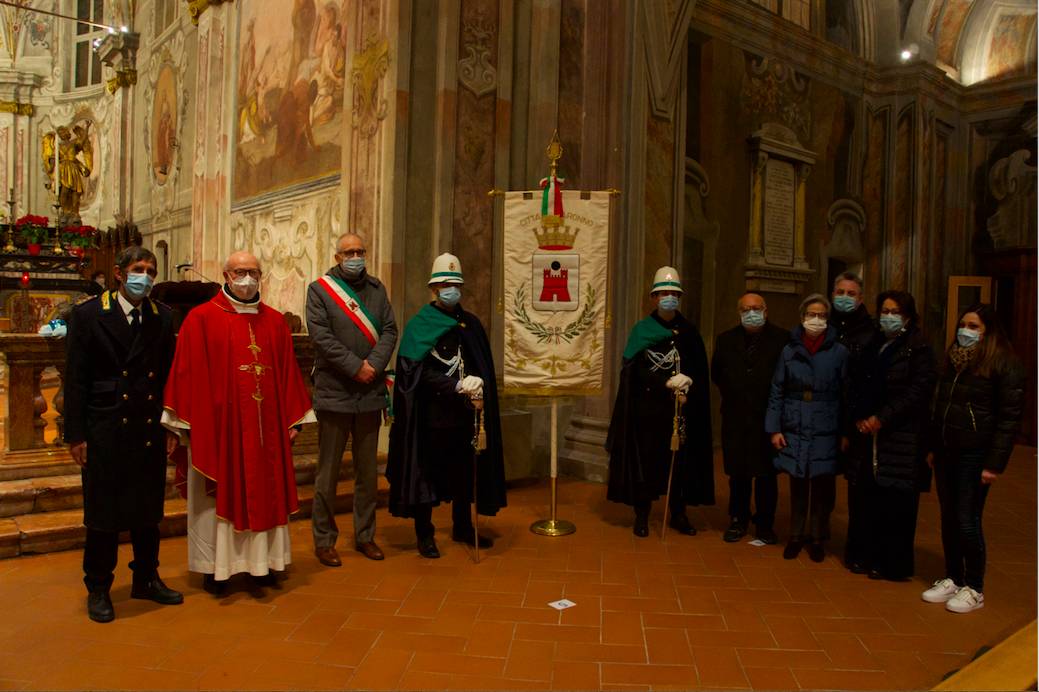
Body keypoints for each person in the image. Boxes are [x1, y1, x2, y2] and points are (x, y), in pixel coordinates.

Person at [162, 251, 314, 594]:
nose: (247, 279)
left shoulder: (274, 322)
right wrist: (182, 424)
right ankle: (216, 569)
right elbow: (186, 374)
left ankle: (264, 565)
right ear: (225, 275)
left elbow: (290, 374)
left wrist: (294, 419)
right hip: (220, 432)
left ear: (261, 276)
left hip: (267, 434)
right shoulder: (200, 319)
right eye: (240, 272)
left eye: (253, 272)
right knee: (215, 498)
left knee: (267, 491)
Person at [64, 246, 182, 623]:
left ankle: (146, 578)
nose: (144, 277)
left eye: (150, 270)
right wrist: (76, 435)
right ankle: (98, 587)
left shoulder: (163, 317)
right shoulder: (88, 315)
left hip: (147, 424)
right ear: (118, 273)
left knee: (148, 511)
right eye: (137, 269)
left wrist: (170, 425)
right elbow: (76, 379)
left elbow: (167, 377)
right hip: (105, 426)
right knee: (103, 514)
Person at [386, 253, 506, 558]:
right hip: (431, 417)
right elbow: (416, 373)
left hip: (465, 416)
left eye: (455, 284)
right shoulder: (420, 325)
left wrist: (480, 387)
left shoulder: (471, 324)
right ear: (434, 289)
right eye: (444, 284)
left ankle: (463, 526)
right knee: (426, 474)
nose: (451, 289)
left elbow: (481, 366)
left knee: (465, 472)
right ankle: (424, 533)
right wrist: (453, 385)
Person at [921, 304, 1024, 613]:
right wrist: (932, 445)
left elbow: (1009, 418)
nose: (966, 331)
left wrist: (995, 463)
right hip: (946, 448)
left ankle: (975, 587)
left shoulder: (1004, 364)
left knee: (968, 519)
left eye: (974, 326)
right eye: (963, 324)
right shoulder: (952, 360)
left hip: (975, 453)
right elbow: (939, 404)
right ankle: (953, 576)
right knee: (948, 516)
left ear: (988, 331)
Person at [307, 233, 397, 566]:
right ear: (337, 255)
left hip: (369, 392)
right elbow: (320, 336)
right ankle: (324, 540)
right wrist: (354, 366)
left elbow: (389, 329)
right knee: (328, 473)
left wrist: (373, 365)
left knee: (367, 473)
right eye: (349, 252)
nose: (355, 256)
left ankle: (365, 536)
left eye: (360, 251)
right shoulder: (320, 290)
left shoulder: (377, 289)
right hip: (335, 392)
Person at [607, 266, 713, 537]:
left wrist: (688, 383)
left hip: (681, 411)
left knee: (680, 463)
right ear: (653, 297)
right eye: (664, 293)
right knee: (649, 464)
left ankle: (678, 513)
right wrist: (664, 382)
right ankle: (642, 515)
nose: (669, 298)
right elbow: (633, 370)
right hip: (649, 412)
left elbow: (700, 369)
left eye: (674, 294)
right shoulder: (642, 330)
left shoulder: (689, 332)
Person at [844, 291, 936, 580]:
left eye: (895, 311)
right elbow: (859, 382)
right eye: (884, 310)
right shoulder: (874, 343)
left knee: (895, 504)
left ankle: (891, 563)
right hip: (868, 434)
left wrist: (882, 418)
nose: (888, 316)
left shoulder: (918, 348)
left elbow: (918, 391)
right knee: (867, 498)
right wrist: (859, 416)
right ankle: (865, 555)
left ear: (908, 316)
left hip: (901, 436)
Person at [766, 294, 848, 562]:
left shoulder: (839, 351)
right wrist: (774, 428)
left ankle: (817, 536)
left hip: (826, 422)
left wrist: (845, 431)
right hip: (795, 422)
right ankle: (796, 535)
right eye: (811, 314)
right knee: (798, 482)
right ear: (802, 318)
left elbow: (847, 393)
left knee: (822, 485)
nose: (816, 320)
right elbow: (778, 389)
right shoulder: (789, 350)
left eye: (821, 315)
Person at [711, 292, 788, 544]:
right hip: (735, 417)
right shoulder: (725, 340)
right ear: (739, 313)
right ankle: (738, 519)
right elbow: (717, 374)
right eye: (745, 309)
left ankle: (765, 523)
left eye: (756, 308)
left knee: (766, 475)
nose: (751, 313)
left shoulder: (782, 339)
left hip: (767, 419)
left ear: (766, 311)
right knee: (738, 474)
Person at [829, 271, 875, 569]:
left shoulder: (870, 332)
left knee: (859, 489)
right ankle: (817, 533)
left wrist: (852, 423)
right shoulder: (826, 324)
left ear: (860, 298)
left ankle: (858, 549)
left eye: (851, 293)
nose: (844, 297)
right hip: (826, 414)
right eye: (840, 292)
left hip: (855, 418)